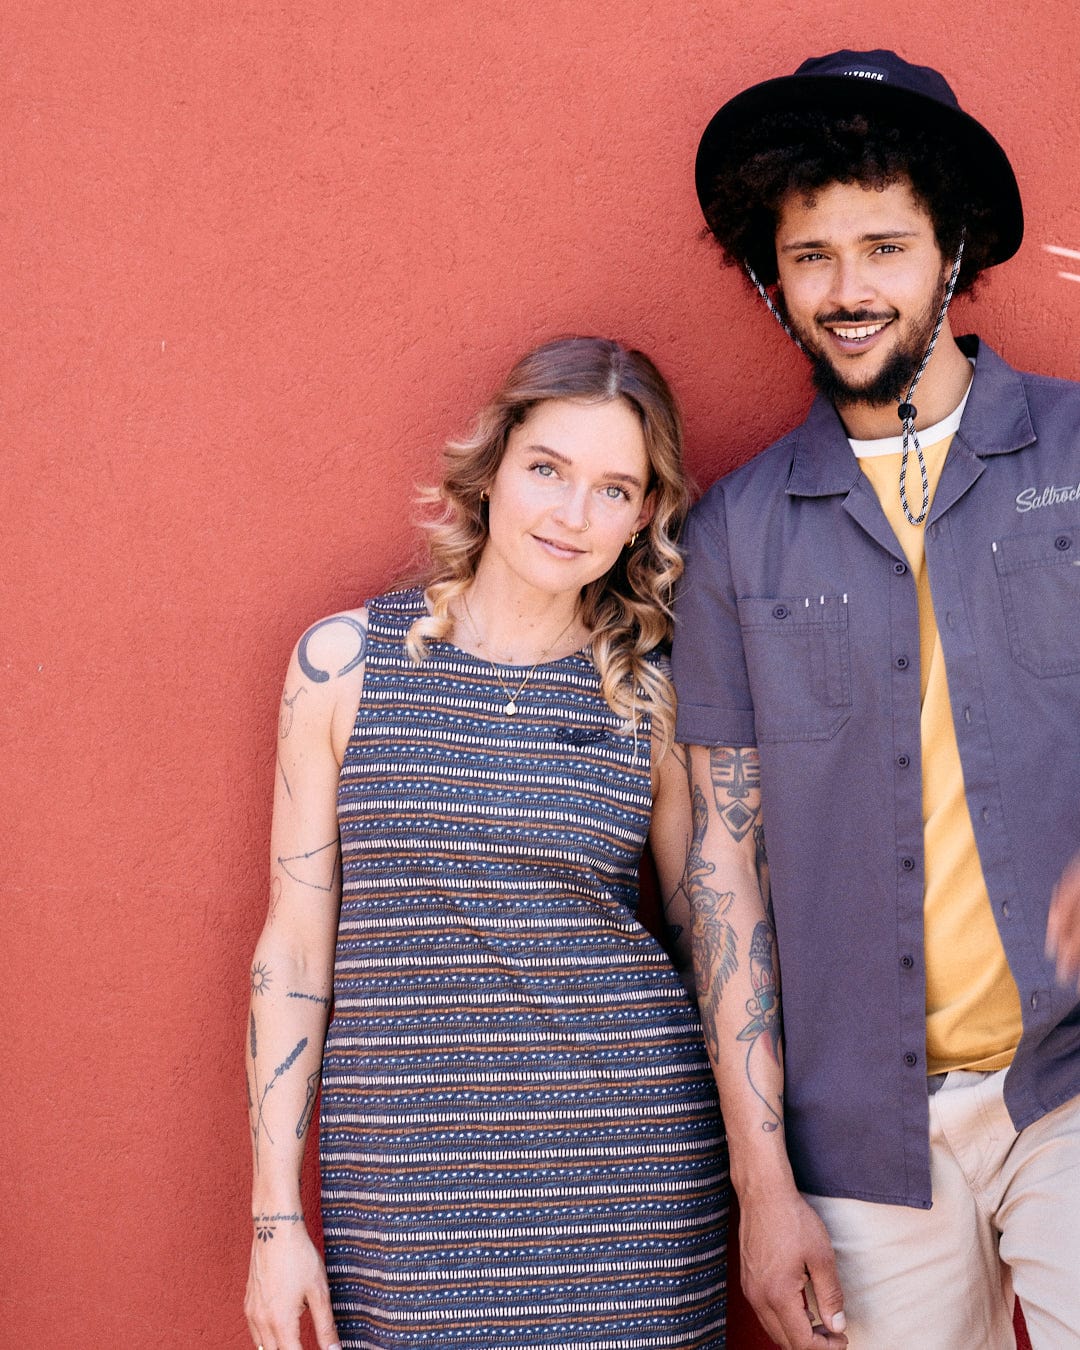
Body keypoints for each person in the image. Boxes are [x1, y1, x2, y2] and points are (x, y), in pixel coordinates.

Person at [674, 49, 1080, 1350]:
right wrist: (762, 1183)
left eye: (886, 246)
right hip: (861, 1133)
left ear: (953, 253)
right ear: (771, 275)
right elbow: (722, 868)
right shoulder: (733, 536)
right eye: (811, 256)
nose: (849, 291)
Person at [243, 336, 729, 1350]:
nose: (570, 513)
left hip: (628, 1181)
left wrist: (766, 1186)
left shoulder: (651, 694)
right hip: (405, 1200)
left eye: (614, 488)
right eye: (548, 468)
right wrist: (276, 1218)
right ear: (496, 464)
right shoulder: (343, 666)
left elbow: (716, 945)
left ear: (645, 514)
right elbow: (293, 948)